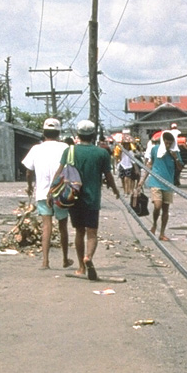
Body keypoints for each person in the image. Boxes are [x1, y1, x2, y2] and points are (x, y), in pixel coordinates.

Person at [64, 119, 121, 281]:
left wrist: (51, 193)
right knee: (92, 233)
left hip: (73, 198)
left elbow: (60, 173)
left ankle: (81, 268)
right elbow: (108, 176)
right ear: (93, 135)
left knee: (79, 231)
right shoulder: (101, 153)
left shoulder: (70, 151)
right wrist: (115, 189)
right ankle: (88, 257)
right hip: (93, 198)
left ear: (78, 134)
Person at [21, 117, 72, 270]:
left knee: (46, 227)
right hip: (60, 193)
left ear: (44, 133)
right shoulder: (65, 148)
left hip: (43, 193)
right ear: (58, 133)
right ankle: (64, 259)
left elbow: (28, 172)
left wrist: (30, 186)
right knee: (63, 226)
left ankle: (45, 262)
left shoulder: (36, 149)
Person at [139, 131, 182, 240]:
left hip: (168, 183)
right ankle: (154, 224)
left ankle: (162, 233)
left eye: (170, 143)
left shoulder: (175, 152)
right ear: (163, 142)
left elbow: (180, 167)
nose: (168, 145)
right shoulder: (155, 149)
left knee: (165, 209)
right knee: (157, 206)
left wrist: (175, 157)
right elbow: (150, 164)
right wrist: (142, 180)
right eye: (166, 143)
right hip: (155, 181)